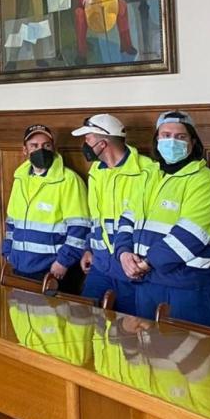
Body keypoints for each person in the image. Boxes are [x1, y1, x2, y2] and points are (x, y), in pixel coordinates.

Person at [114, 111, 210, 326]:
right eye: (165, 135)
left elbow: (191, 235)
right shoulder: (148, 175)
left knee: (190, 347)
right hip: (145, 282)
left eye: (180, 137)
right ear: (157, 139)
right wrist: (124, 253)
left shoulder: (204, 181)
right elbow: (127, 219)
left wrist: (145, 263)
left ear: (193, 142)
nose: (172, 142)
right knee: (147, 345)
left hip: (184, 286)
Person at [71, 113, 155, 315]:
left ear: (103, 143)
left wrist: (140, 263)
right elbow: (96, 218)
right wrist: (89, 248)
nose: (84, 144)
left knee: (128, 329)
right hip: (100, 266)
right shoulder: (96, 171)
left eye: (88, 139)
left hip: (131, 270)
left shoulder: (147, 171)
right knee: (86, 321)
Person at [3, 125, 90, 291]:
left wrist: (63, 262)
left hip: (53, 269)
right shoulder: (20, 179)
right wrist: (8, 253)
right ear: (25, 150)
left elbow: (80, 228)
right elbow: (12, 222)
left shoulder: (69, 180)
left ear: (53, 148)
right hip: (19, 266)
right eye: (34, 146)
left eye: (46, 145)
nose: (41, 150)